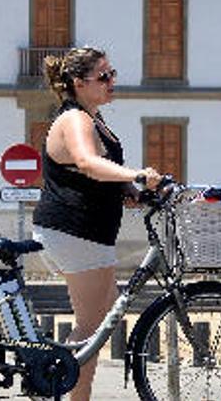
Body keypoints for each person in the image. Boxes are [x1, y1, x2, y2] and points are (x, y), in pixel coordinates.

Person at [31, 46, 161, 401]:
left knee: (103, 318)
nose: (111, 82)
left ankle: (72, 391)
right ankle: (65, 391)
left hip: (87, 233)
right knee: (91, 329)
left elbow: (96, 173)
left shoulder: (92, 118)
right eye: (103, 77)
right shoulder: (75, 119)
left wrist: (131, 190)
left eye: (112, 73)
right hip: (74, 231)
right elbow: (87, 163)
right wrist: (136, 173)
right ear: (78, 82)